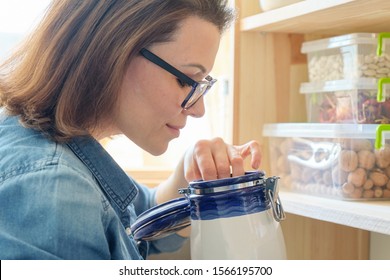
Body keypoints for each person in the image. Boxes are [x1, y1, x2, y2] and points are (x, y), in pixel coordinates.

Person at [0, 0, 261, 260]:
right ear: (112, 52)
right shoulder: (57, 189)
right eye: (185, 80)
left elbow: (133, 221)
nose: (198, 109)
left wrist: (187, 175)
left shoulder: (55, 151)